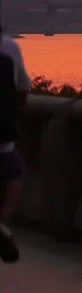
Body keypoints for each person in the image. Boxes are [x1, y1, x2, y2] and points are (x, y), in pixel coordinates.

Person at [0, 30, 31, 263]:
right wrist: (14, 116)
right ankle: (1, 223)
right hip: (2, 133)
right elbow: (23, 88)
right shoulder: (9, 48)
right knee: (15, 174)